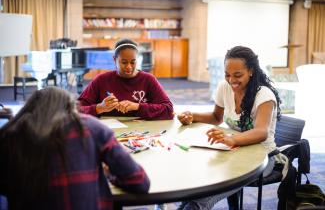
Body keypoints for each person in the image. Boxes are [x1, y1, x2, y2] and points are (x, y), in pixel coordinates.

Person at [0, 87, 150, 210]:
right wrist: (107, 174)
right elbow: (140, 182)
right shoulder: (91, 127)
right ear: (71, 107)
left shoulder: (11, 133)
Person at [177, 46, 282, 210]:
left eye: (238, 75)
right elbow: (216, 117)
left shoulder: (264, 95)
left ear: (251, 71)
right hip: (233, 153)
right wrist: (192, 116)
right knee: (194, 188)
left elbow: (261, 132)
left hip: (262, 158)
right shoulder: (224, 87)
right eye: (227, 74)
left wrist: (231, 139)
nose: (231, 80)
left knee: (200, 200)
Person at [78, 38, 174, 120]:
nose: (129, 67)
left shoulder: (148, 79)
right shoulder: (101, 80)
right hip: (109, 132)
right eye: (124, 62)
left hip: (140, 132)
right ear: (114, 59)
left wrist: (137, 106)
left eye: (133, 62)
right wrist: (99, 108)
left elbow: (168, 109)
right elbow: (75, 109)